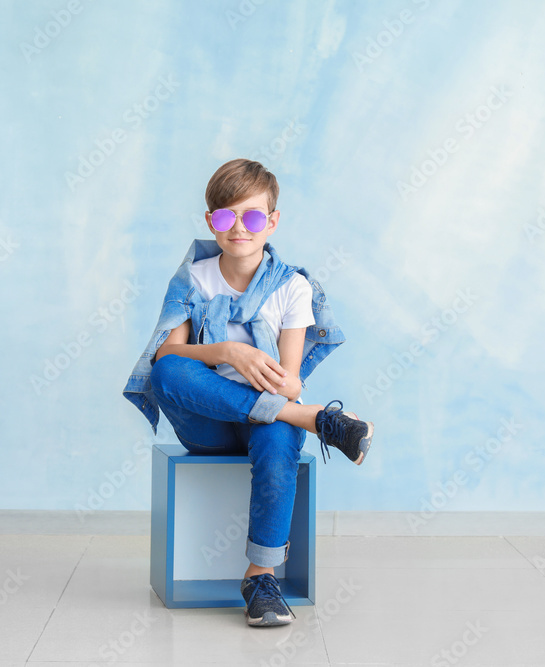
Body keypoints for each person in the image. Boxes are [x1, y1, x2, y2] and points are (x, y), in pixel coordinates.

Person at [122, 158, 374, 627]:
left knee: (278, 438)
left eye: (253, 216)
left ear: (272, 222)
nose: (239, 227)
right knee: (168, 370)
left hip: (268, 422)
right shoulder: (193, 279)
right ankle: (314, 420)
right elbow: (167, 356)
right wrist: (228, 353)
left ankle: (261, 580)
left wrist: (284, 390)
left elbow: (290, 381)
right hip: (209, 423)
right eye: (226, 216)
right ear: (210, 221)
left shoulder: (293, 287)